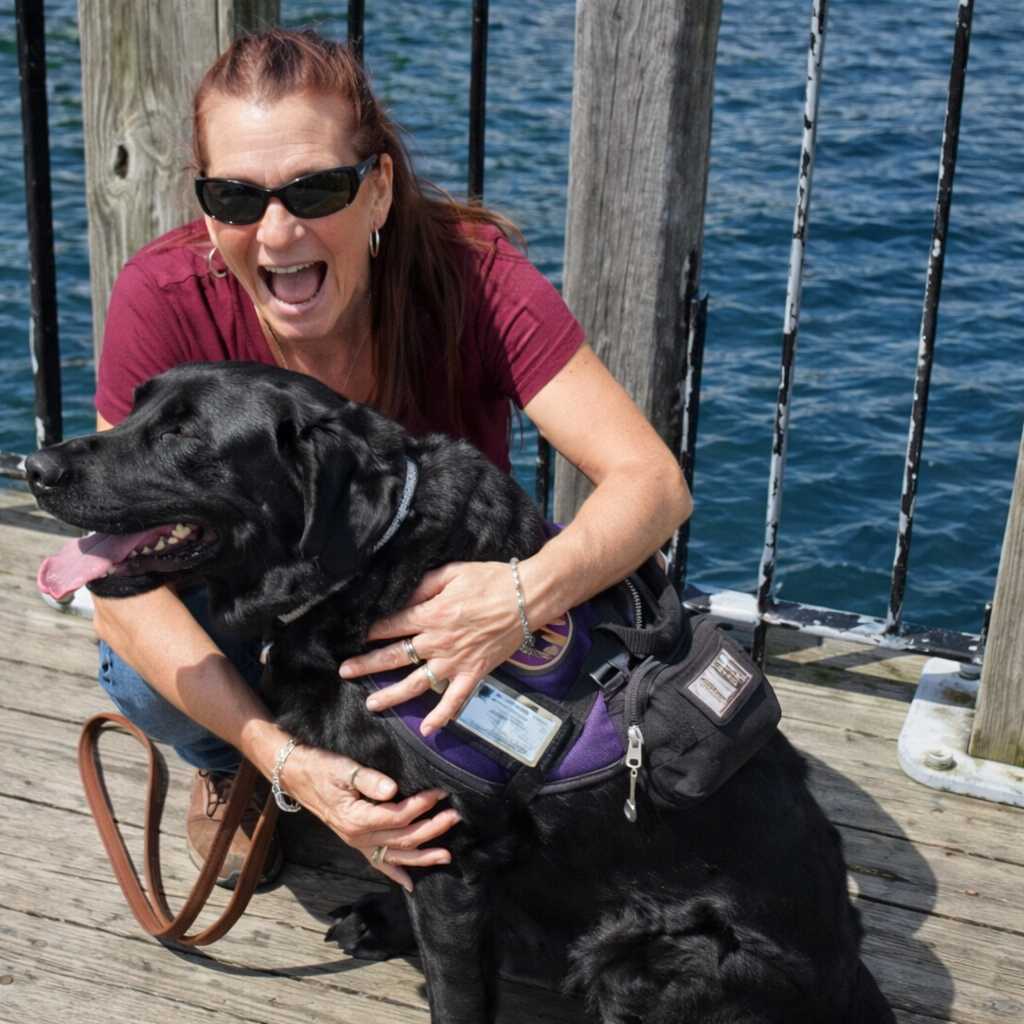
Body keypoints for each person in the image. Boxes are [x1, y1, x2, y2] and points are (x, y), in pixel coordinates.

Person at [92, 28, 691, 893]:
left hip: (415, 602)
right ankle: (233, 768)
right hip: (252, 594)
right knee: (145, 677)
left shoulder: (471, 275)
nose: (278, 231)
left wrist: (520, 598)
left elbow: (652, 483)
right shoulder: (162, 295)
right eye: (236, 197)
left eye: (318, 189)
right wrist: (281, 759)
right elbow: (122, 583)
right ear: (205, 202)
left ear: (377, 192)